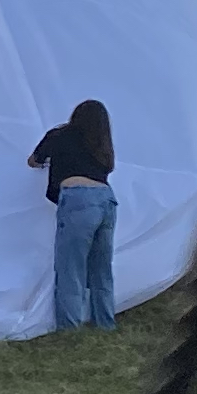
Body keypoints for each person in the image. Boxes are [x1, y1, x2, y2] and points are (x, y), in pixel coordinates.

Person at [31, 99, 119, 331]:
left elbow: (33, 161)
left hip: (78, 198)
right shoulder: (101, 145)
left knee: (71, 267)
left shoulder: (59, 135)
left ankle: (69, 328)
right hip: (107, 199)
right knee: (101, 269)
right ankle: (105, 324)